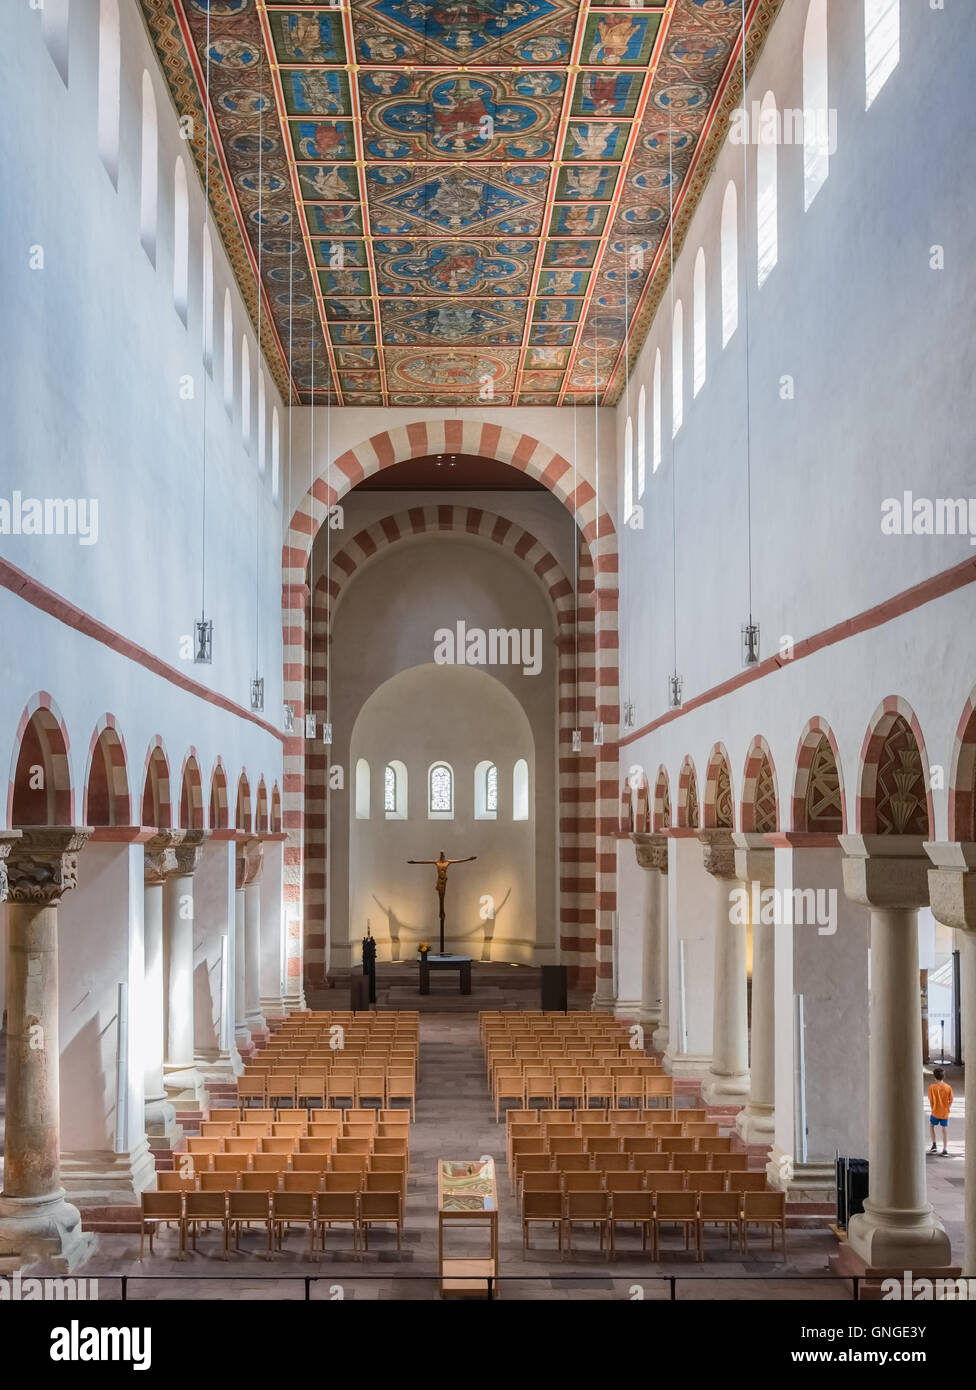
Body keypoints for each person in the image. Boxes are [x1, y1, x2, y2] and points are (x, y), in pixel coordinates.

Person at [927, 1067, 953, 1155]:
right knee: (944, 1129)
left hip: (935, 1111)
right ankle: (945, 1149)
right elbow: (951, 1099)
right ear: (943, 1076)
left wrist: (933, 1108)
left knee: (931, 1126)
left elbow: (930, 1100)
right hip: (945, 1112)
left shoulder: (931, 1087)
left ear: (934, 1076)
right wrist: (948, 1107)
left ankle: (934, 1145)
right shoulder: (948, 1087)